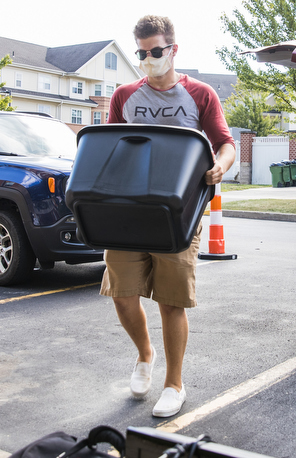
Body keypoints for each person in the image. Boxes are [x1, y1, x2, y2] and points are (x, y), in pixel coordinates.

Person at [103, 15, 236, 418]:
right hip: (127, 211)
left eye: (155, 51)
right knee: (123, 297)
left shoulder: (200, 95)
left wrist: (221, 166)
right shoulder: (124, 95)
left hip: (178, 213)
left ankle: (174, 384)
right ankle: (145, 354)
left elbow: (225, 143)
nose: (148, 59)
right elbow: (109, 147)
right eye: (141, 53)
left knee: (170, 301)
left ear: (173, 50)